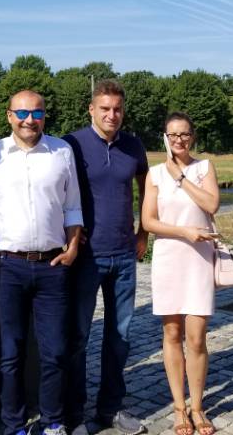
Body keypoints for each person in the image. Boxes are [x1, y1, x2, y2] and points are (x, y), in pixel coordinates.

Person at [0, 90, 83, 435]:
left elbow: (72, 205)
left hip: (53, 267)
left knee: (55, 352)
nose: (29, 120)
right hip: (6, 267)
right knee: (10, 353)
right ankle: (14, 426)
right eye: (21, 113)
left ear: (44, 116)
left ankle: (52, 422)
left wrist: (73, 246)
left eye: (36, 113)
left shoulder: (61, 151)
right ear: (9, 116)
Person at [63, 80, 149, 435]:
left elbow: (147, 188)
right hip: (86, 257)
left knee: (119, 336)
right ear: (91, 109)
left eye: (117, 109)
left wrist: (143, 232)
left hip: (124, 255)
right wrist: (67, 234)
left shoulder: (133, 146)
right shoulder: (72, 144)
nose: (112, 115)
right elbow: (57, 191)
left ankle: (110, 408)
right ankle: (73, 414)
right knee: (78, 337)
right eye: (105, 109)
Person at [140, 113, 220, 435]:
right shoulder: (154, 174)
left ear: (192, 137)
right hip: (169, 258)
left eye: (184, 134)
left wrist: (181, 177)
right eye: (173, 135)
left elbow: (212, 205)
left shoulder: (204, 168)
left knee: (196, 337)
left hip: (199, 260)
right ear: (165, 137)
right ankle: (178, 408)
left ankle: (197, 407)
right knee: (172, 334)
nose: (179, 140)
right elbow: (148, 221)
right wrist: (184, 232)